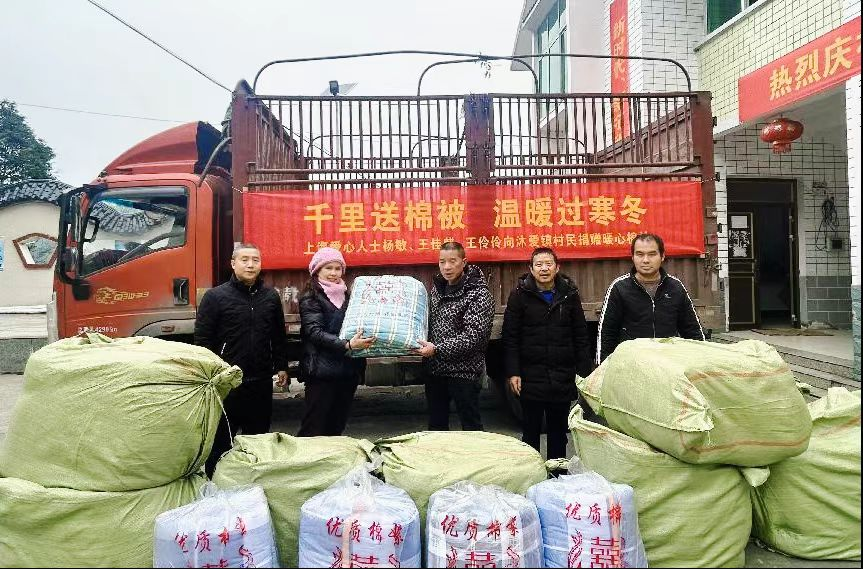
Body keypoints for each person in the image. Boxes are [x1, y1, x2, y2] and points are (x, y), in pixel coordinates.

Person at [195, 243, 288, 477]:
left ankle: (251, 484)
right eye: (244, 259)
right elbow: (203, 339)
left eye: (255, 260)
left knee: (257, 440)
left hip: (260, 381)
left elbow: (278, 335)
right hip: (226, 383)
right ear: (233, 264)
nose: (250, 264)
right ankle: (216, 483)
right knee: (221, 440)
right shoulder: (215, 297)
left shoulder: (270, 297)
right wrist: (209, 373)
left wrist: (282, 366)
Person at [502, 247, 593, 459]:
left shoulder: (569, 294)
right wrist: (513, 372)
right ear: (531, 269)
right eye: (539, 265)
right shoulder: (519, 295)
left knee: (558, 434)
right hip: (530, 376)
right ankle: (532, 473)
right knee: (530, 432)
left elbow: (580, 336)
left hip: (562, 375)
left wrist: (583, 374)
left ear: (557, 268)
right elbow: (511, 337)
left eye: (548, 264)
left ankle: (557, 475)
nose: (544, 269)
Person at [415, 241, 494, 431]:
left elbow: (473, 336)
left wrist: (437, 349)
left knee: (471, 428)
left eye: (452, 261)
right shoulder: (437, 289)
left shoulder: (478, 294)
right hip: (435, 371)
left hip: (463, 371)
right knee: (437, 427)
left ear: (464, 262)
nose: (447, 267)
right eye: (442, 262)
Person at [297, 247, 375, 437]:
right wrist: (347, 345)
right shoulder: (311, 297)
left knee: (336, 424)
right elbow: (314, 332)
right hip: (321, 371)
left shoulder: (349, 296)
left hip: (347, 370)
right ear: (317, 271)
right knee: (314, 426)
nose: (333, 273)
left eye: (337, 268)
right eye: (328, 268)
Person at [596, 233, 705, 364]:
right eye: (640, 254)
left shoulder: (675, 287)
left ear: (662, 256)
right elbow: (606, 334)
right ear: (633, 257)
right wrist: (603, 368)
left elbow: (692, 330)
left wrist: (702, 363)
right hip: (632, 365)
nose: (646, 260)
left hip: (668, 363)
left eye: (652, 254)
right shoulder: (619, 288)